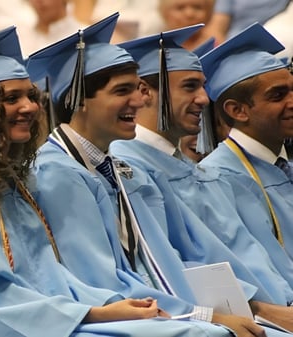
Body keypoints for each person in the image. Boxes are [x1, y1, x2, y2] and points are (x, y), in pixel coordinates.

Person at [0, 25, 234, 337]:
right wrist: (94, 313)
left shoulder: (7, 181)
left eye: (31, 96)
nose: (29, 107)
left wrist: (106, 305)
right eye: (10, 99)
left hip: (54, 320)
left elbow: (49, 274)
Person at [26, 14, 267, 337]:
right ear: (79, 99)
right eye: (123, 90)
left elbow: (163, 259)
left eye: (139, 89)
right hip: (115, 316)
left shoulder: (115, 168)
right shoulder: (57, 172)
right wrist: (204, 317)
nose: (140, 101)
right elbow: (101, 281)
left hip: (156, 308)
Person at [111, 24, 293, 330]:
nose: (204, 99)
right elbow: (170, 264)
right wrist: (260, 310)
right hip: (219, 319)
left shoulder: (196, 170)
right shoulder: (127, 169)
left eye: (202, 87)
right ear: (144, 92)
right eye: (189, 87)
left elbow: (257, 252)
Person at [201, 24, 293, 265]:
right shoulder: (217, 178)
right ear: (237, 110)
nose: (292, 101)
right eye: (278, 95)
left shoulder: (285, 164)